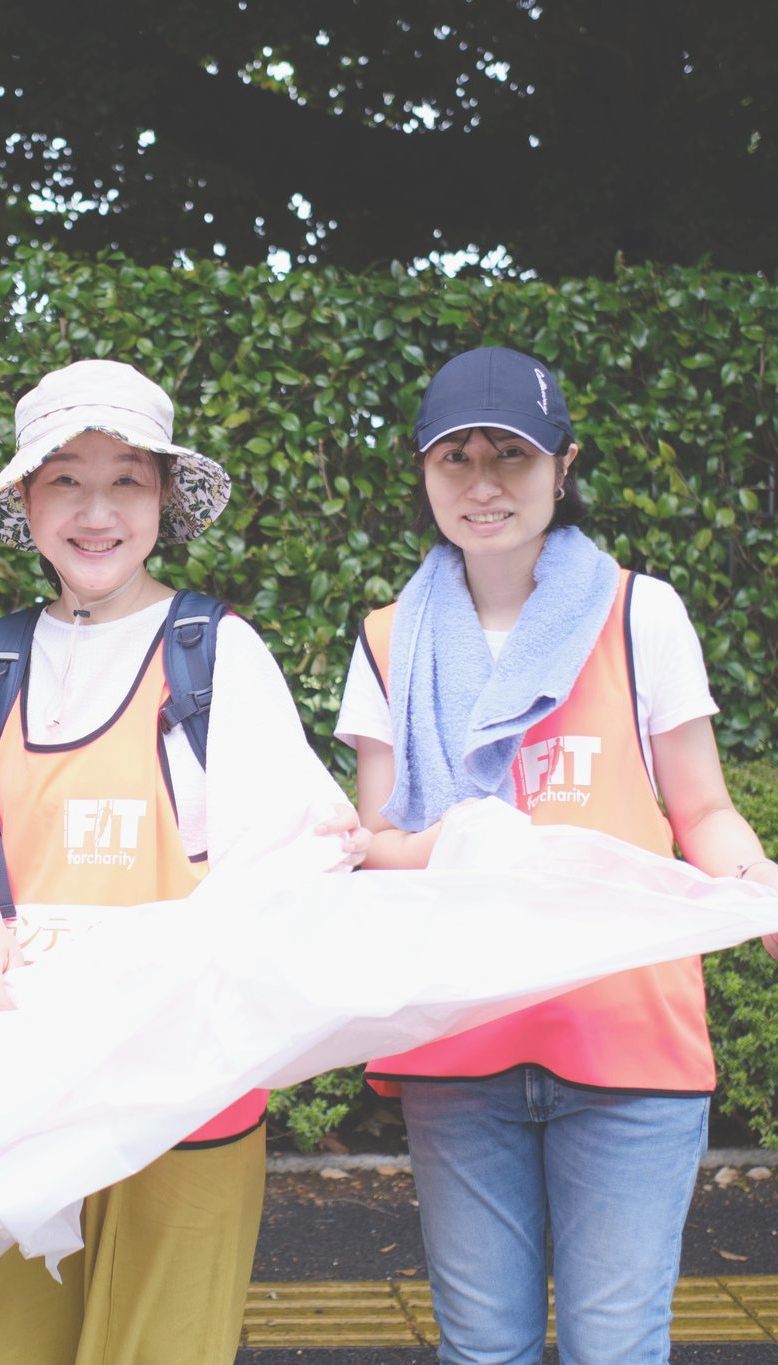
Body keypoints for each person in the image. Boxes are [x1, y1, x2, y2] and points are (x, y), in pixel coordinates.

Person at [0, 357, 366, 1365]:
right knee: (13, 1345)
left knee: (164, 1343)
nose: (96, 511)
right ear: (26, 502)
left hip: (185, 1085)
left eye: (126, 482)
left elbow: (293, 850)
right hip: (30, 1078)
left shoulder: (213, 650)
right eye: (65, 480)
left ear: (162, 502)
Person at [336, 345, 778, 1365]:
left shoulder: (638, 612)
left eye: (513, 455)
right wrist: (472, 840)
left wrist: (754, 885)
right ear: (423, 472)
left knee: (614, 1346)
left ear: (563, 465)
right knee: (481, 1348)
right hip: (459, 1037)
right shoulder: (388, 639)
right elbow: (379, 848)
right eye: (455, 458)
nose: (482, 483)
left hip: (628, 1034)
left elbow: (703, 809)